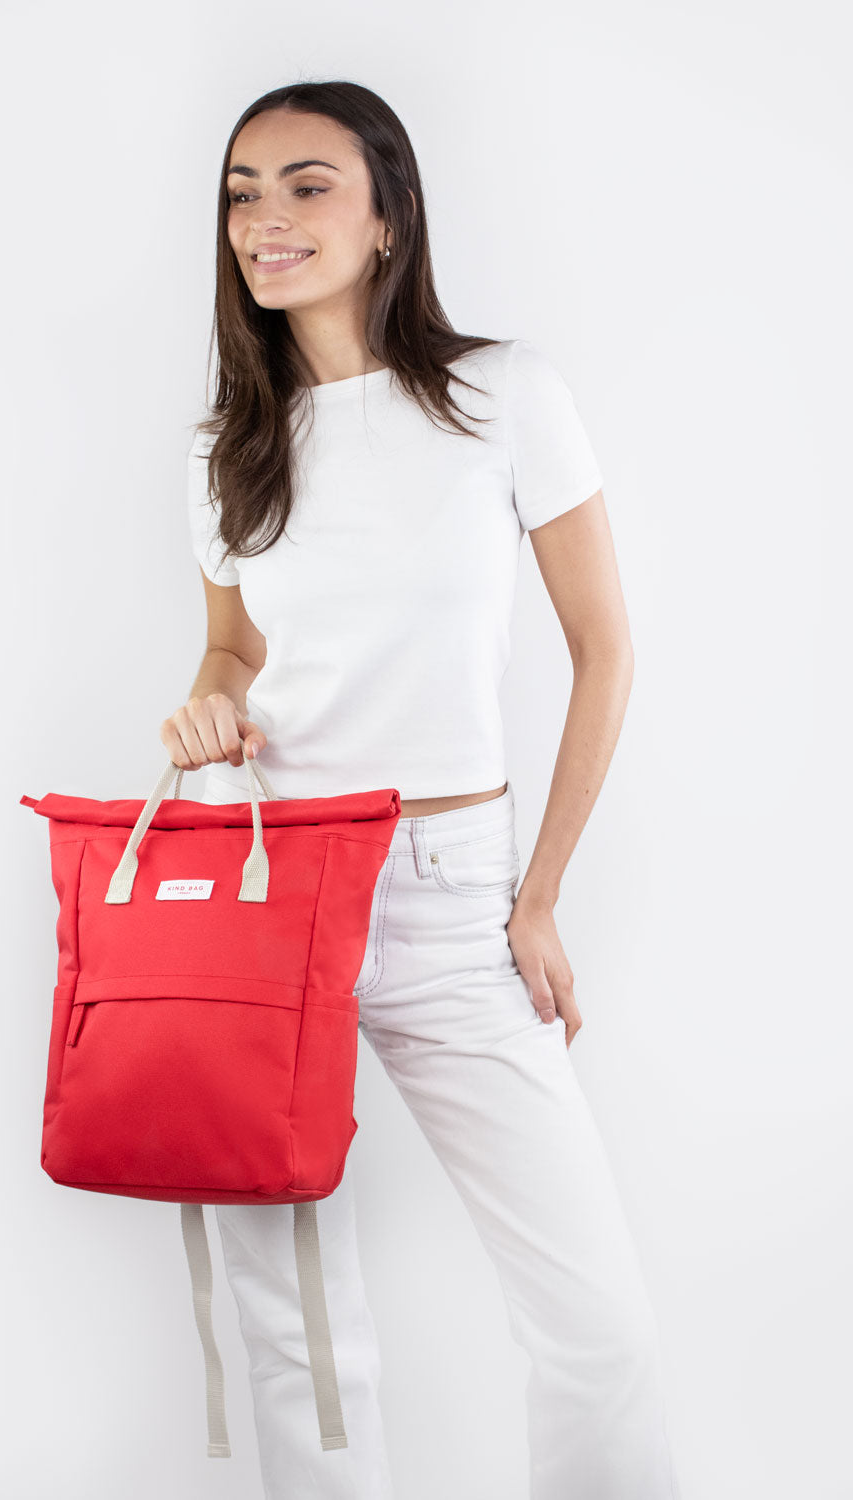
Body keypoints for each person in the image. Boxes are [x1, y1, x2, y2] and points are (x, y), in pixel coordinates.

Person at [161, 80, 682, 1500]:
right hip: (266, 892)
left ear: (389, 215)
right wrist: (211, 702)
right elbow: (234, 649)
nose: (266, 219)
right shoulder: (227, 446)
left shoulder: (504, 395)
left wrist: (541, 893)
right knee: (299, 1334)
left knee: (599, 1327)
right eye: (242, 193)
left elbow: (605, 648)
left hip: (455, 895)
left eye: (307, 184)